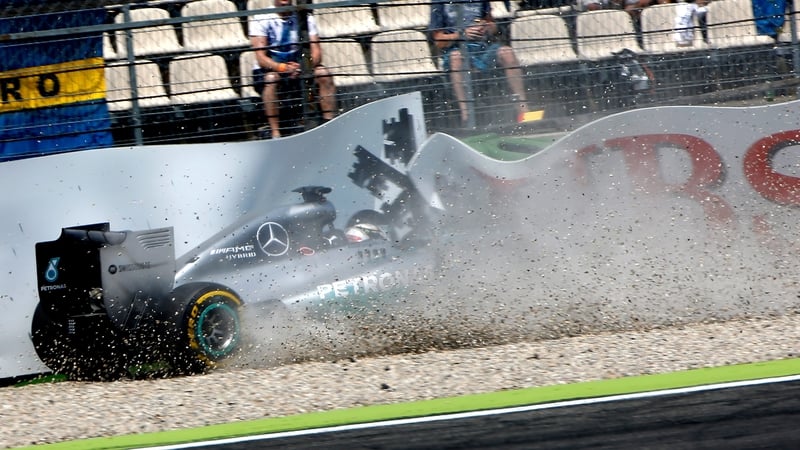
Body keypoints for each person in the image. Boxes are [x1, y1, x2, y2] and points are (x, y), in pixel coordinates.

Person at [429, 0, 530, 126]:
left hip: (482, 50)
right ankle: (466, 116)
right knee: (456, 58)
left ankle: (524, 110)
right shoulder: (439, 2)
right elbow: (438, 41)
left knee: (507, 53)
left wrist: (486, 27)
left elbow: (492, 25)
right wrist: (461, 35)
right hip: (455, 49)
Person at [248, 0, 336, 139]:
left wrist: (303, 67)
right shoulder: (261, 18)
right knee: (271, 79)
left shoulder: (305, 17)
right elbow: (261, 58)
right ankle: (275, 132)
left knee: (323, 73)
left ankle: (330, 124)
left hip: (300, 67)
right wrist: (283, 68)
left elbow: (317, 53)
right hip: (271, 69)